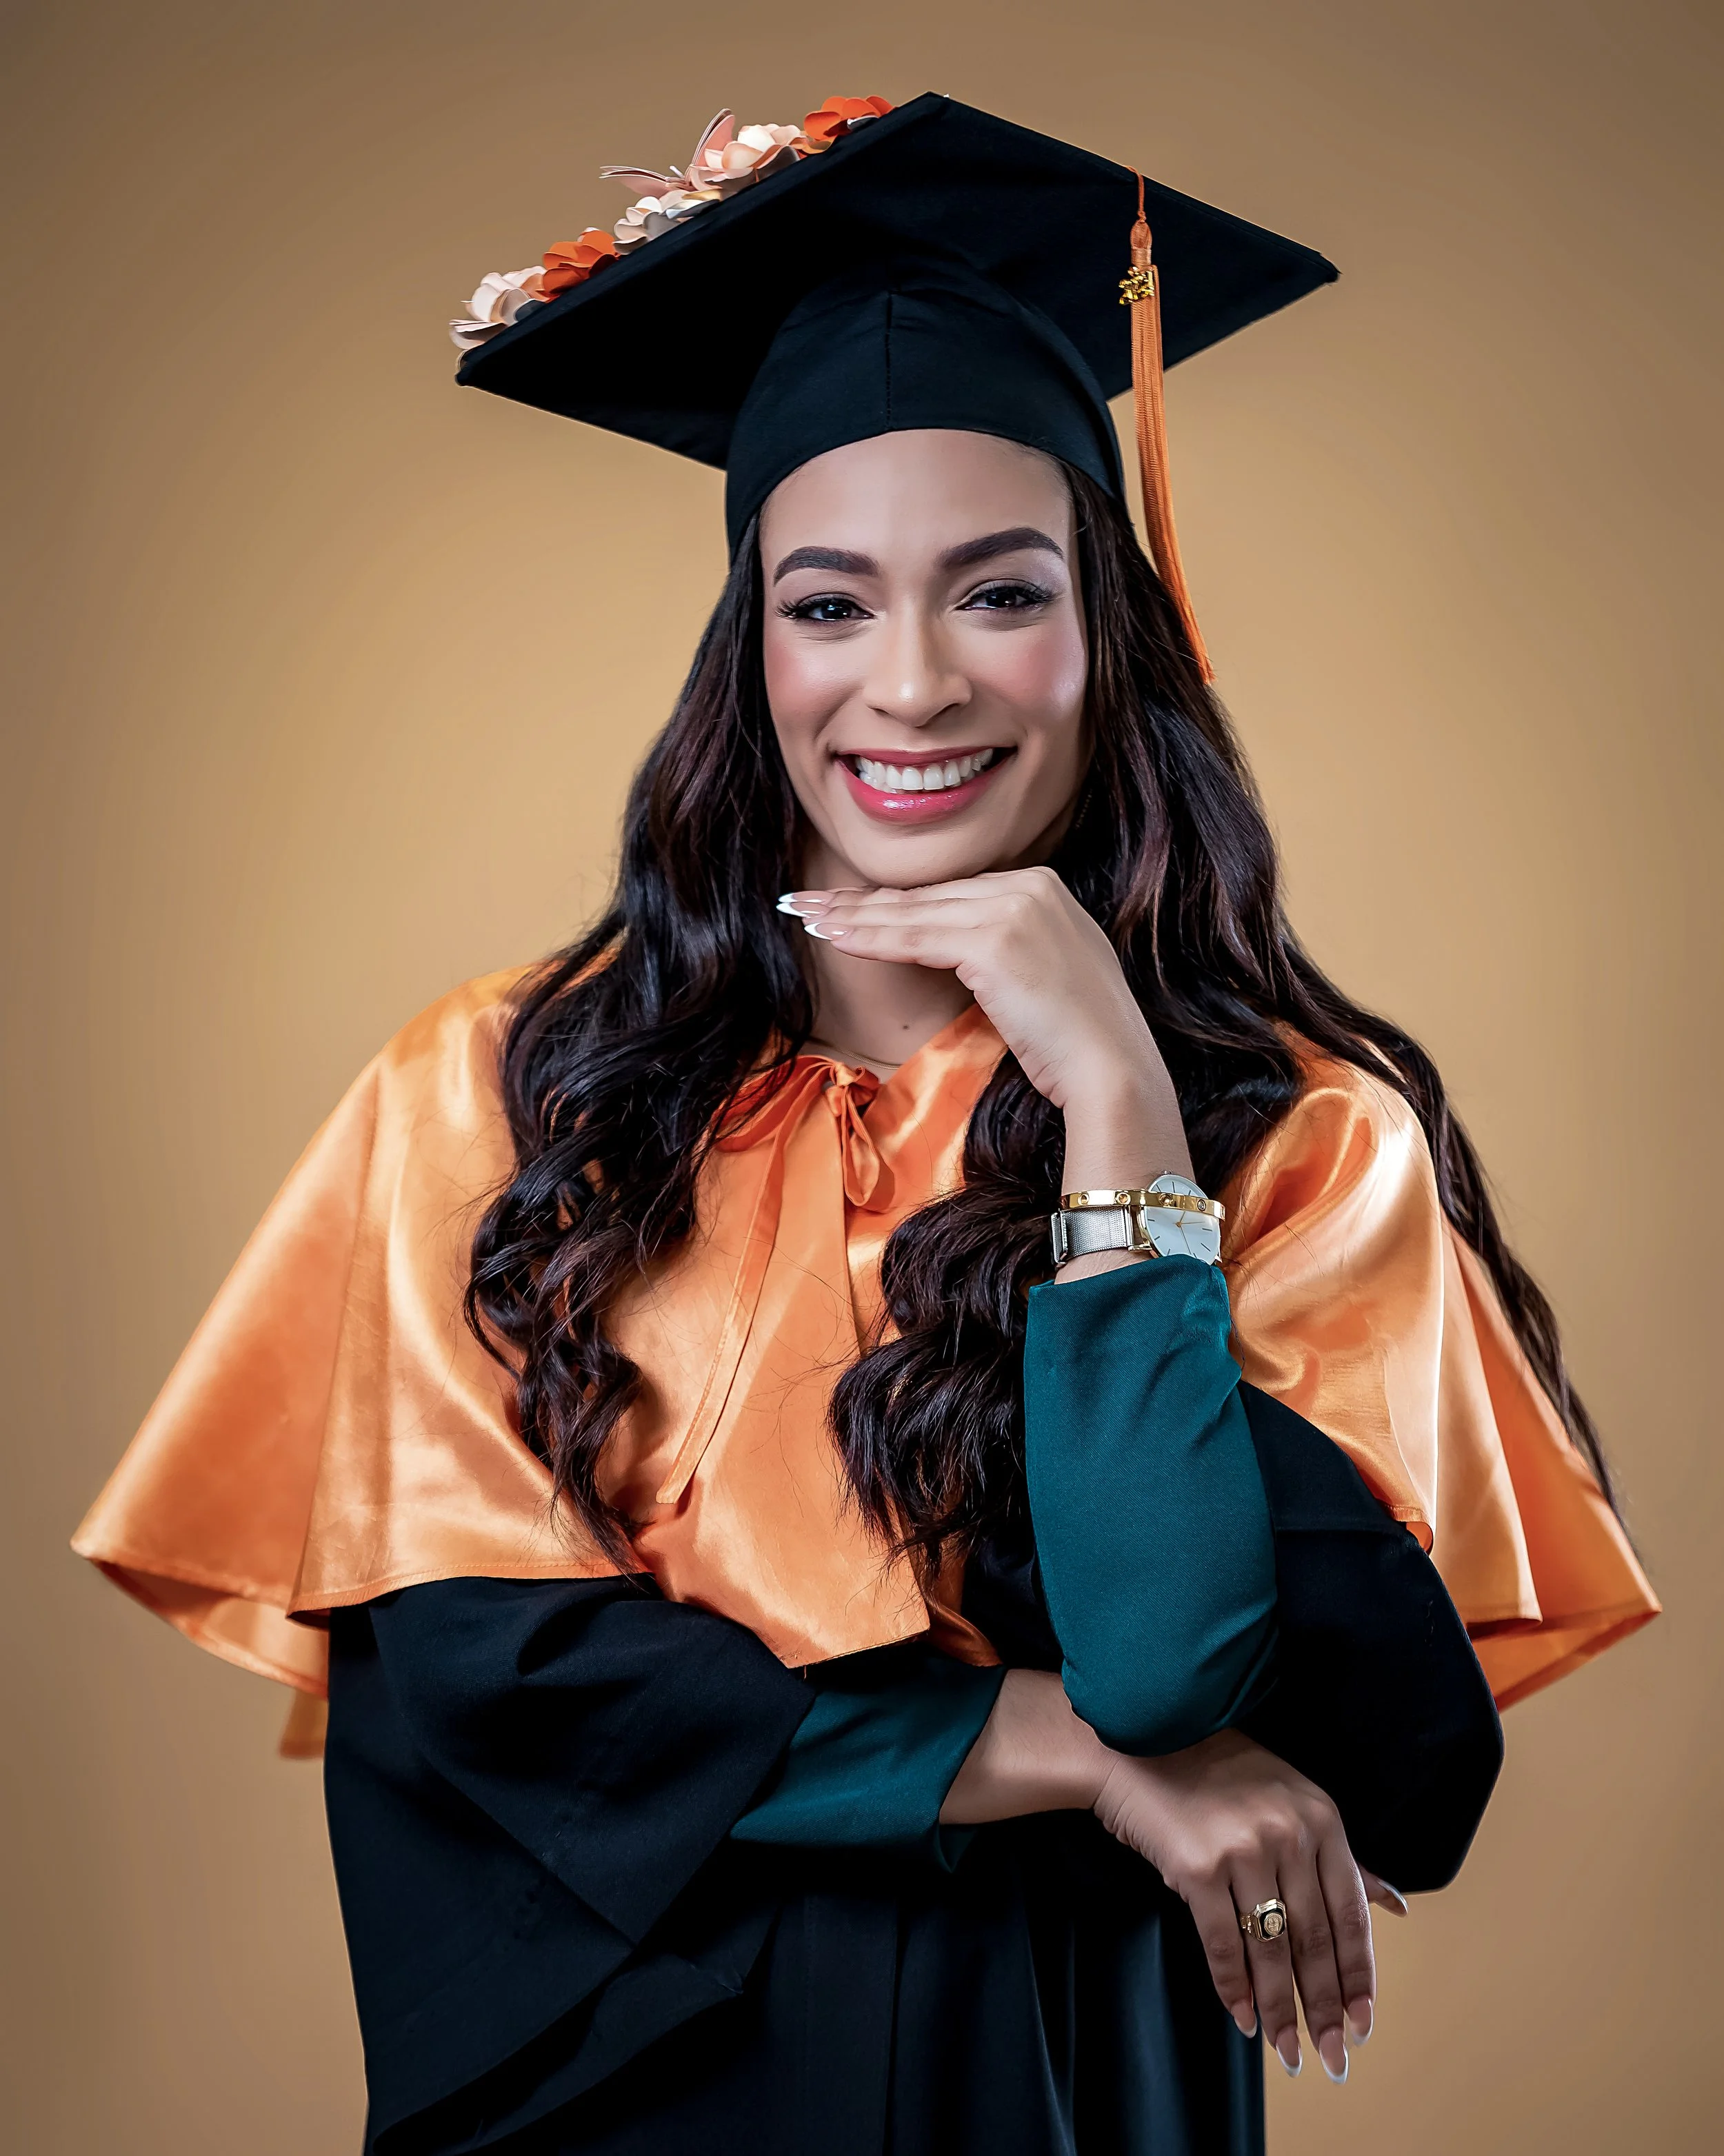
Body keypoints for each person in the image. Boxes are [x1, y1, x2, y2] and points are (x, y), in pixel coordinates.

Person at [74, 94, 1658, 2156]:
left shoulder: (1287, 1144)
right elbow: (490, 1688)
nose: (905, 685)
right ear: (751, 651)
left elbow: (1176, 1654)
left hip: (1062, 2072)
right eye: (827, 604)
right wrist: (1074, 1754)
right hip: (642, 2068)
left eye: (996, 593)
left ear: (1110, 636)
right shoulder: (494, 1098)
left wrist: (1108, 1104)